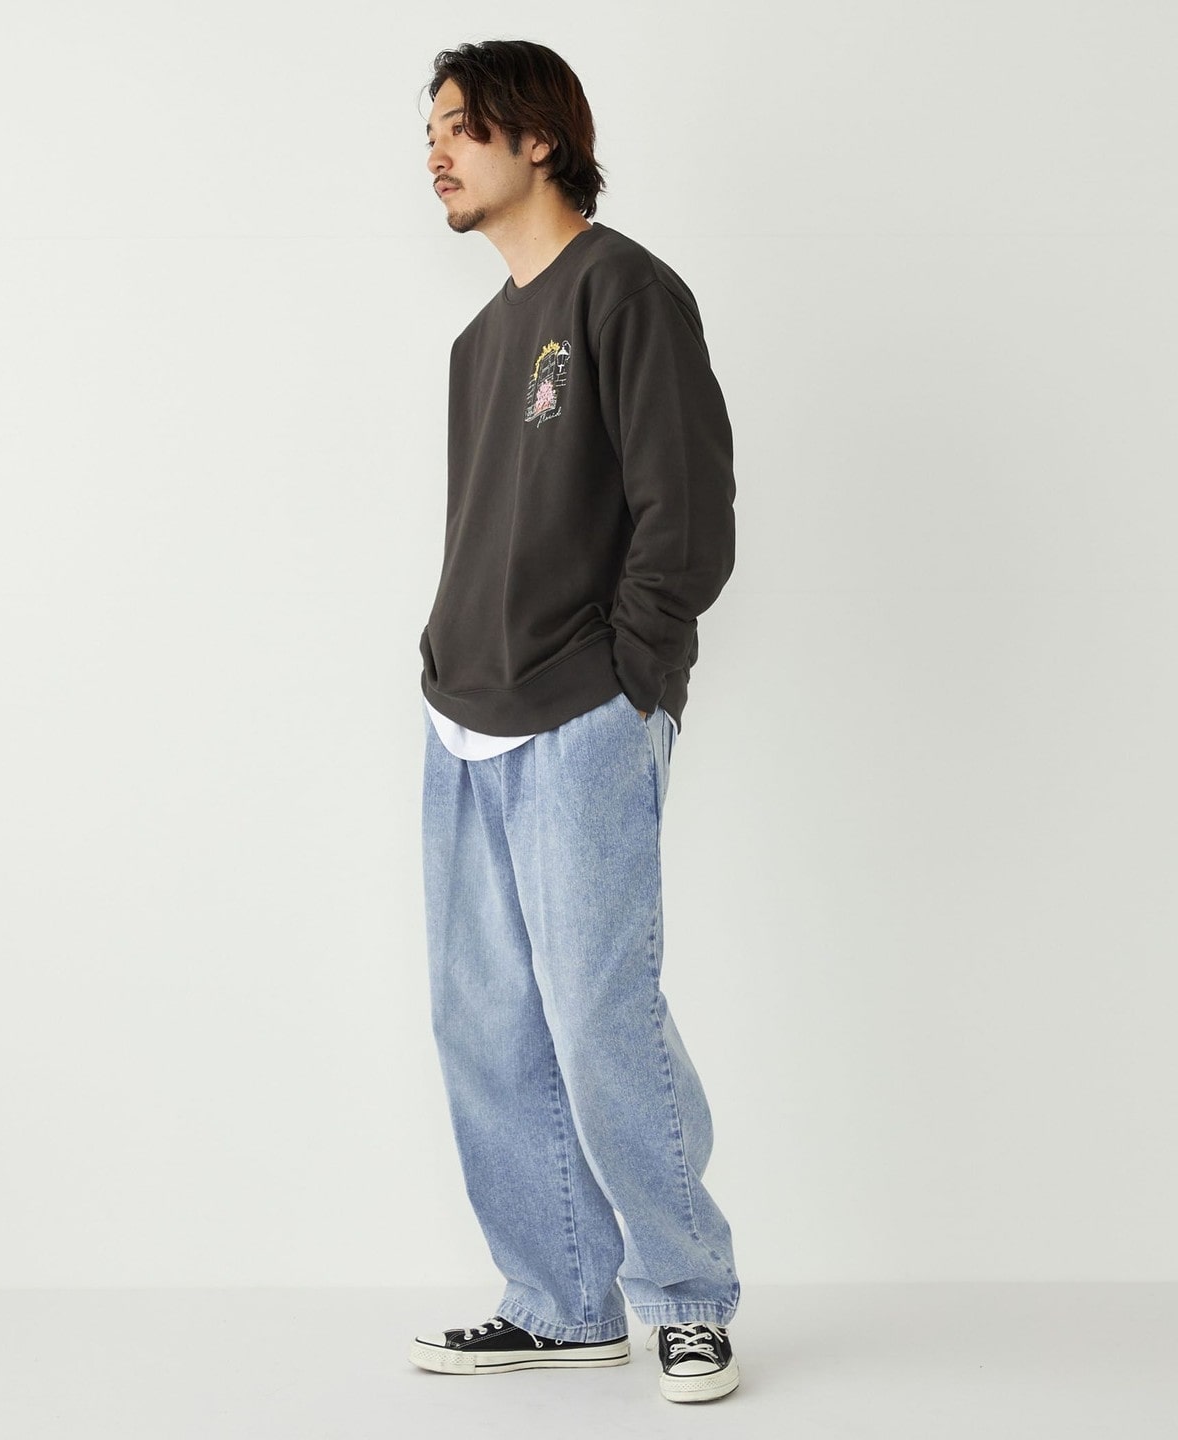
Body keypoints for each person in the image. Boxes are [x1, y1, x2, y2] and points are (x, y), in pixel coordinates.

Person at [410, 40, 740, 1405]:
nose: (435, 151)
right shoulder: (477, 343)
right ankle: (559, 1300)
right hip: (464, 717)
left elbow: (688, 514)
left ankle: (687, 1298)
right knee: (484, 1026)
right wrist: (444, 662)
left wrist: (631, 678)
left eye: (459, 126)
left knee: (602, 1012)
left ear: (537, 137)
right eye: (429, 131)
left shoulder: (627, 291)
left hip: (584, 711)